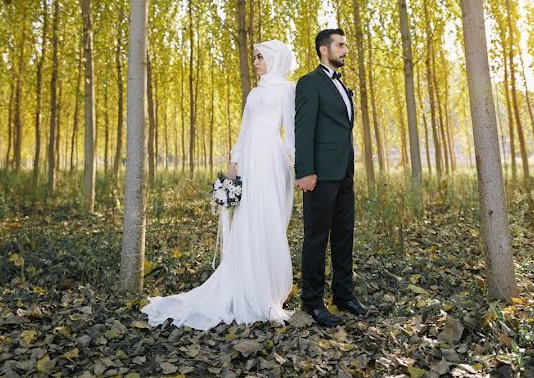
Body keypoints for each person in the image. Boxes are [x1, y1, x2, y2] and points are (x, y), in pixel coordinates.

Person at [142, 40, 296, 330]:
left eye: (260, 57)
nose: (255, 62)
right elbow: (245, 129)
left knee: (269, 221)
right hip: (250, 159)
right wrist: (233, 164)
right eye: (254, 57)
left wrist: (298, 165)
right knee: (248, 220)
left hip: (272, 160)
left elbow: (291, 131)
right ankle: (248, 286)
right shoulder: (254, 93)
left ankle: (268, 293)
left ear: (274, 60)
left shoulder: (288, 90)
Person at [294, 28, 367, 327]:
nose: (345, 50)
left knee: (343, 233)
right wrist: (305, 171)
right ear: (324, 50)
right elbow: (303, 128)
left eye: (345, 45)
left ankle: (343, 294)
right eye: (340, 45)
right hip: (320, 175)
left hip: (344, 171)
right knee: (316, 237)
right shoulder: (309, 83)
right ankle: (312, 302)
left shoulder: (342, 86)